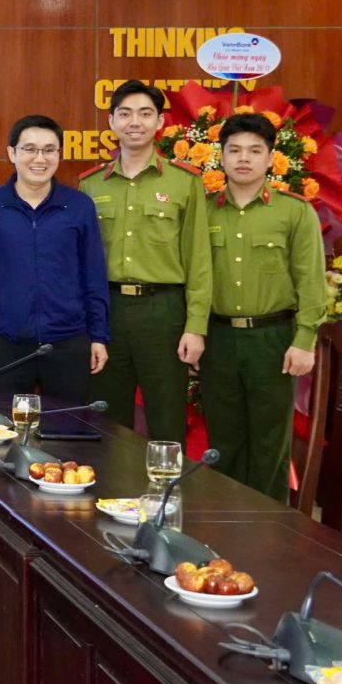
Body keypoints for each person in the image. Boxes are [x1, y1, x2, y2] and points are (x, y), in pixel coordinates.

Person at [199, 113, 327, 501]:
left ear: (271, 158)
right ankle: (226, 524)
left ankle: (270, 529)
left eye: (255, 151)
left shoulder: (294, 211)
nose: (244, 158)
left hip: (273, 339)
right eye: (234, 150)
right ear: (221, 156)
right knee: (223, 439)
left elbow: (311, 280)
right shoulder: (203, 210)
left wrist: (305, 340)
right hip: (218, 338)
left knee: (270, 442)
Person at [79, 80, 211, 441]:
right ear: (111, 122)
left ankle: (166, 481)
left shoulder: (185, 183)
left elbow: (199, 260)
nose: (134, 122)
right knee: (106, 418)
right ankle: (109, 480)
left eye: (144, 113)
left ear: (160, 122)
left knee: (167, 418)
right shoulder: (91, 185)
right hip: (108, 311)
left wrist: (196, 326)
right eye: (125, 114)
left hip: (163, 312)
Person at [0, 115, 109, 404]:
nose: (39, 158)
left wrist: (98, 336)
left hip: (69, 343)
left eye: (49, 150)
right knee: (2, 426)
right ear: (12, 153)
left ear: (59, 154)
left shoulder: (78, 206)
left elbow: (93, 275)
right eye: (29, 149)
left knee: (69, 426)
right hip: (8, 343)